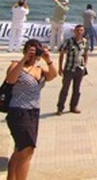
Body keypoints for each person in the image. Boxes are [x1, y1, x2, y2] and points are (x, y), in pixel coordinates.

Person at [5, 38, 57, 180]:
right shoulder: (16, 65)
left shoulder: (40, 69)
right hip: (18, 111)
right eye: (30, 50)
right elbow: (10, 79)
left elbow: (53, 75)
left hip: (33, 112)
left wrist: (48, 59)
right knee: (27, 150)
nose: (33, 55)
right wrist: (24, 59)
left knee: (20, 149)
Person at [56, 24, 88, 115]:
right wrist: (60, 67)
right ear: (74, 31)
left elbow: (85, 53)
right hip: (69, 68)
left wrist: (85, 65)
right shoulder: (68, 41)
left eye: (81, 30)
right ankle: (60, 108)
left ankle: (73, 106)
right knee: (65, 89)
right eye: (77, 30)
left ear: (83, 32)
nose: (79, 32)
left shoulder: (85, 42)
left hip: (79, 69)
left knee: (77, 90)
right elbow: (62, 54)